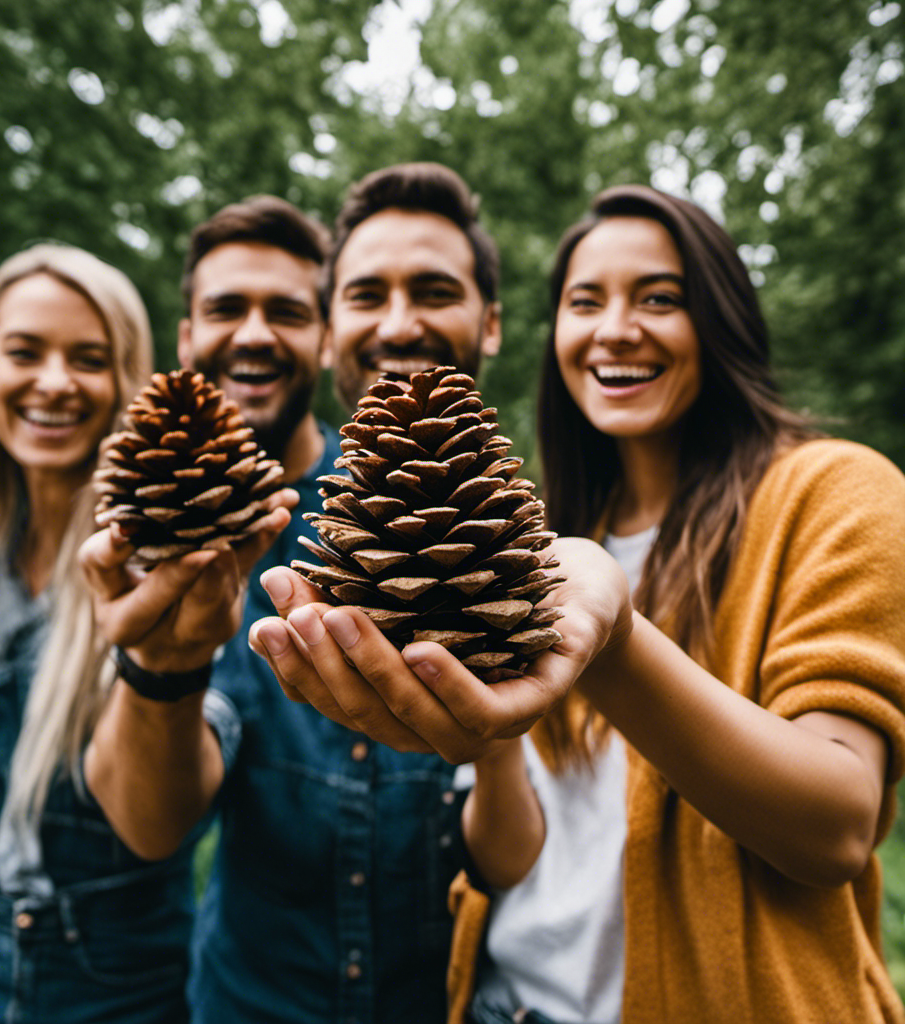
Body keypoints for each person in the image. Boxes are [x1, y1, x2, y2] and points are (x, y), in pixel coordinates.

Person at [248, 185, 905, 1024]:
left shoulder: (835, 493)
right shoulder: (531, 543)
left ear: (724, 318)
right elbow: (514, 856)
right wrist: (482, 727)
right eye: (584, 301)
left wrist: (618, 644)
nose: (615, 328)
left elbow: (839, 826)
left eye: (660, 298)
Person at [81, 165, 502, 1024]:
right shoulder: (157, 535)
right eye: (228, 309)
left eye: (287, 311)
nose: (255, 337)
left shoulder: (487, 527)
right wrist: (163, 667)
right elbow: (151, 827)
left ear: (319, 338)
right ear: (186, 334)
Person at [0, 242, 290, 1024]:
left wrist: (162, 665)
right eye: (25, 351)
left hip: (118, 992)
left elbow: (159, 826)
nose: (55, 382)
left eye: (89, 358)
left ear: (127, 379)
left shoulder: (185, 563)